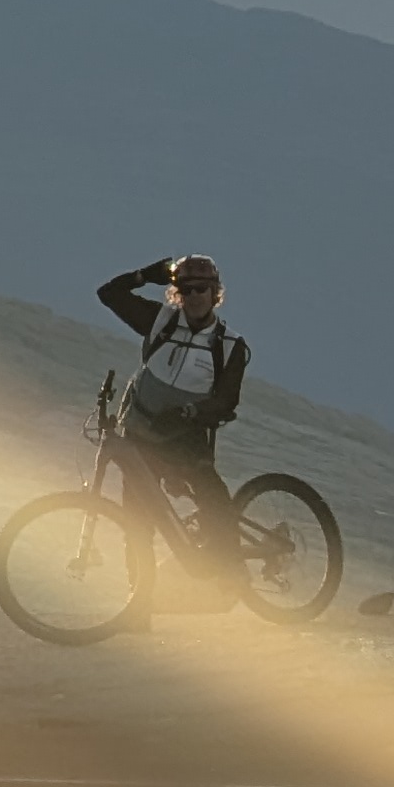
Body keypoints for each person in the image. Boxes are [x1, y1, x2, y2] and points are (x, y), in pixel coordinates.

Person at [93, 254, 251, 602]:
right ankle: (139, 601)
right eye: (186, 289)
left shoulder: (230, 346)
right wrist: (145, 275)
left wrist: (190, 412)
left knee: (213, 498)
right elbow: (108, 294)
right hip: (140, 431)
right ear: (176, 293)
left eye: (203, 289)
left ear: (215, 294)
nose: (194, 296)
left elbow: (226, 402)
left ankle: (234, 570)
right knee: (136, 520)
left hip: (187, 438)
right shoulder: (159, 322)